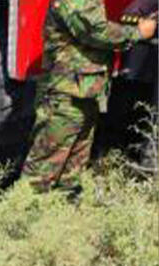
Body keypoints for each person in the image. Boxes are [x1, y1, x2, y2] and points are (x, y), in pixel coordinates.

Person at [20, 0, 157, 193]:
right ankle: (21, 215)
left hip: (85, 94)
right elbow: (93, 30)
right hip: (65, 96)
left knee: (71, 174)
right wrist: (138, 33)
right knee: (43, 171)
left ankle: (62, 216)